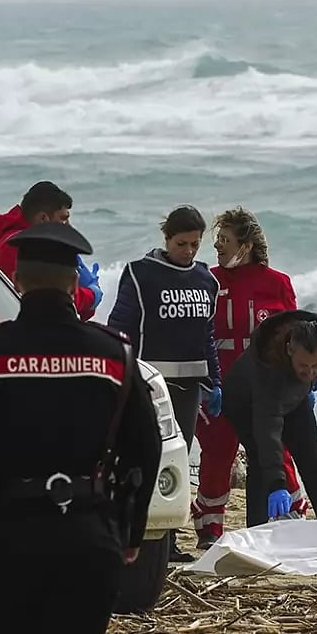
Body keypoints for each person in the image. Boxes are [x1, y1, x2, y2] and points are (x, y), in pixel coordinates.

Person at [0, 221, 162, 634]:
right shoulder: (115, 355)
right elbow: (146, 448)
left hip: (8, 535)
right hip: (88, 535)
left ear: (16, 280)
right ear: (74, 284)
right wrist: (131, 527)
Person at [190, 207, 314, 547]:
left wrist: (305, 384)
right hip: (217, 385)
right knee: (216, 454)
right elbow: (193, 333)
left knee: (275, 449)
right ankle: (209, 530)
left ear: (245, 245)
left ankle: (291, 517)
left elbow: (298, 337)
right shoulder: (206, 280)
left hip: (266, 389)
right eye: (217, 241)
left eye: (225, 241)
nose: (217, 247)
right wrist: (203, 384)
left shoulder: (277, 283)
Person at [106, 205, 221, 563]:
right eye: (182, 243)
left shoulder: (207, 281)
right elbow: (120, 326)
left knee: (177, 461)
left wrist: (215, 381)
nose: (188, 251)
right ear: (167, 239)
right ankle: (133, 537)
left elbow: (207, 336)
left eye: (194, 245)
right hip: (149, 387)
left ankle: (167, 542)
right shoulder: (142, 275)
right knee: (143, 460)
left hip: (188, 389)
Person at [222, 309, 317, 527]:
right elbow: (268, 433)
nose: (309, 372)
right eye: (303, 366)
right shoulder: (268, 371)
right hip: (245, 404)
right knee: (261, 461)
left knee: (312, 458)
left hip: (294, 399)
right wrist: (278, 485)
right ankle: (257, 531)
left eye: (315, 365)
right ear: (289, 350)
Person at [0, 181, 103, 321]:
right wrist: (91, 295)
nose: (68, 226)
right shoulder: (22, 246)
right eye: (63, 219)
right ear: (43, 218)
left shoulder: (9, 240)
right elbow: (53, 299)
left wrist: (85, 300)